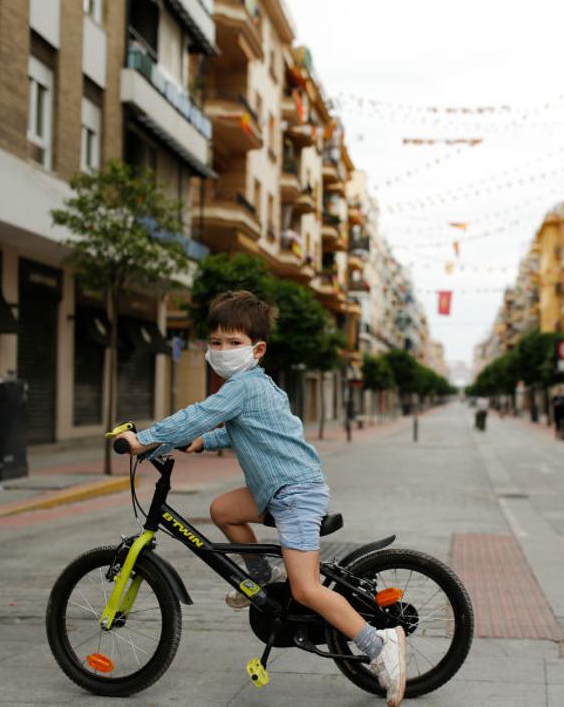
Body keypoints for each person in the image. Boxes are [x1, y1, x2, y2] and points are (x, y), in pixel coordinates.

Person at [115, 291, 406, 707]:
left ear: (257, 349)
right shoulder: (251, 388)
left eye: (233, 343)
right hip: (275, 489)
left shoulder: (245, 386)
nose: (222, 351)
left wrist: (143, 439)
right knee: (222, 510)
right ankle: (263, 577)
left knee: (306, 590)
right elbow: (234, 429)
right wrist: (195, 443)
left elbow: (199, 414)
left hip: (296, 493)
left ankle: (380, 646)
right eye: (215, 343)